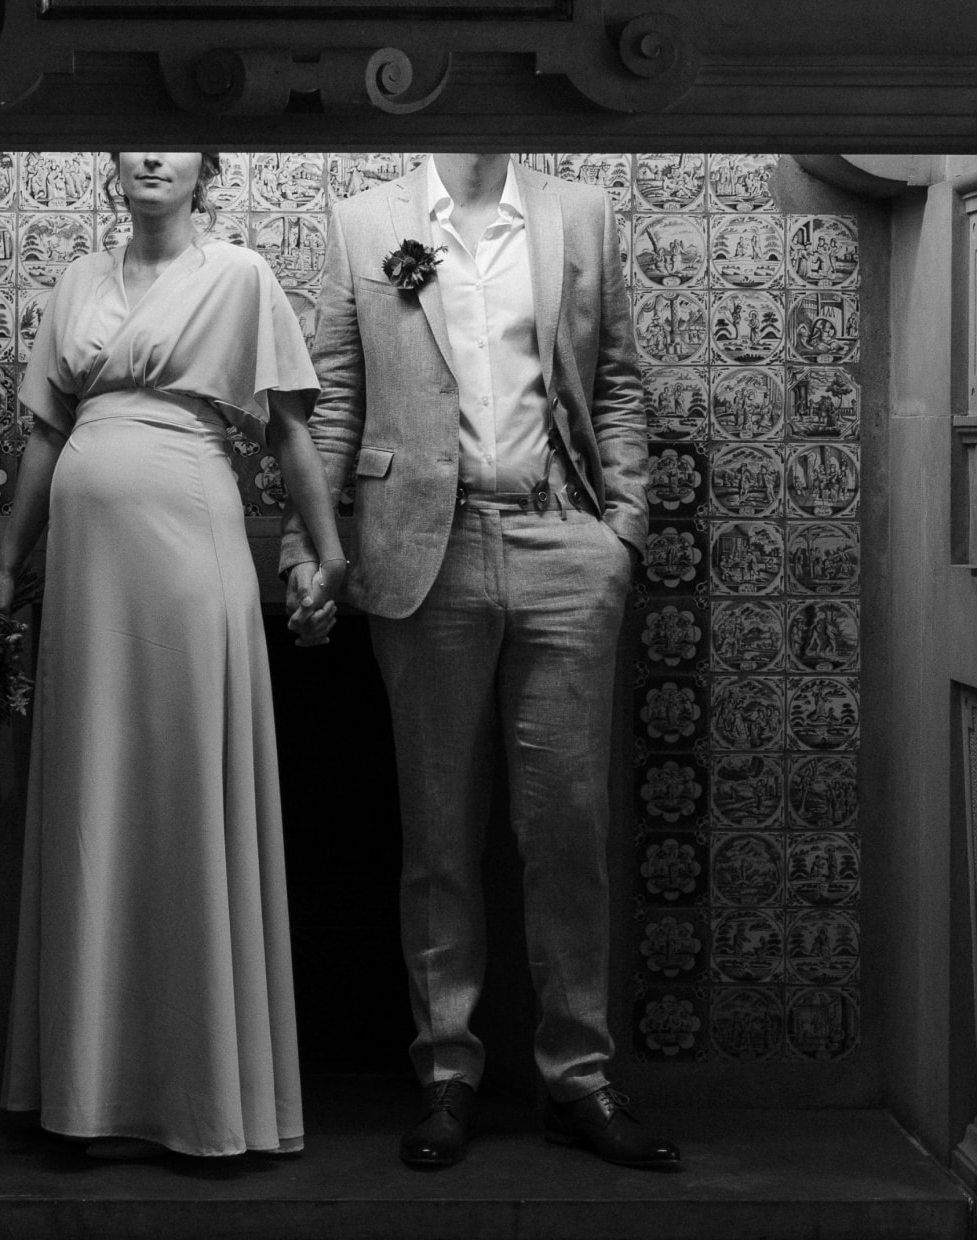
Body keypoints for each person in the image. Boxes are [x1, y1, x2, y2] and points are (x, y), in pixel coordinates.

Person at [282, 153, 680, 1171]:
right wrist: (308, 548)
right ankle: (446, 1072)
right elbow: (331, 399)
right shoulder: (364, 220)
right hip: (424, 552)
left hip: (564, 544)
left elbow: (618, 380)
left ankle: (578, 1080)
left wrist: (619, 535)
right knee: (437, 831)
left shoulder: (578, 214)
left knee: (566, 828)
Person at [0, 152, 346, 1160]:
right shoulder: (77, 284)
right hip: (89, 564)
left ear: (203, 173)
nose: (148, 156)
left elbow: (289, 433)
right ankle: (89, 1094)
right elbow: (45, 437)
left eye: (171, 145)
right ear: (110, 171)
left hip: (190, 536)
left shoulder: (240, 277)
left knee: (183, 785)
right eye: (132, 141)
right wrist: (8, 564)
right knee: (95, 785)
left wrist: (328, 546)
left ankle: (205, 1101)